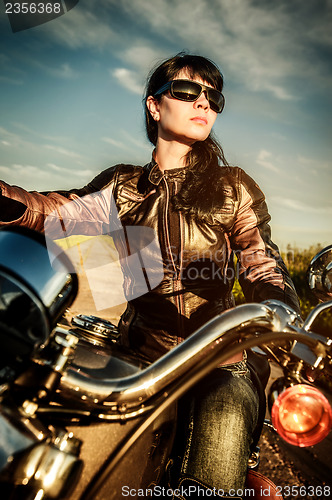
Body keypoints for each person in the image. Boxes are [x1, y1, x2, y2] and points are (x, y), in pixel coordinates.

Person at [0, 53, 300, 498]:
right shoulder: (121, 186)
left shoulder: (232, 185)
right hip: (137, 352)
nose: (204, 102)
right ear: (154, 106)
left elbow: (260, 256)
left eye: (213, 97)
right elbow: (52, 211)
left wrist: (278, 304)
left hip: (219, 359)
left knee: (222, 418)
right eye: (187, 91)